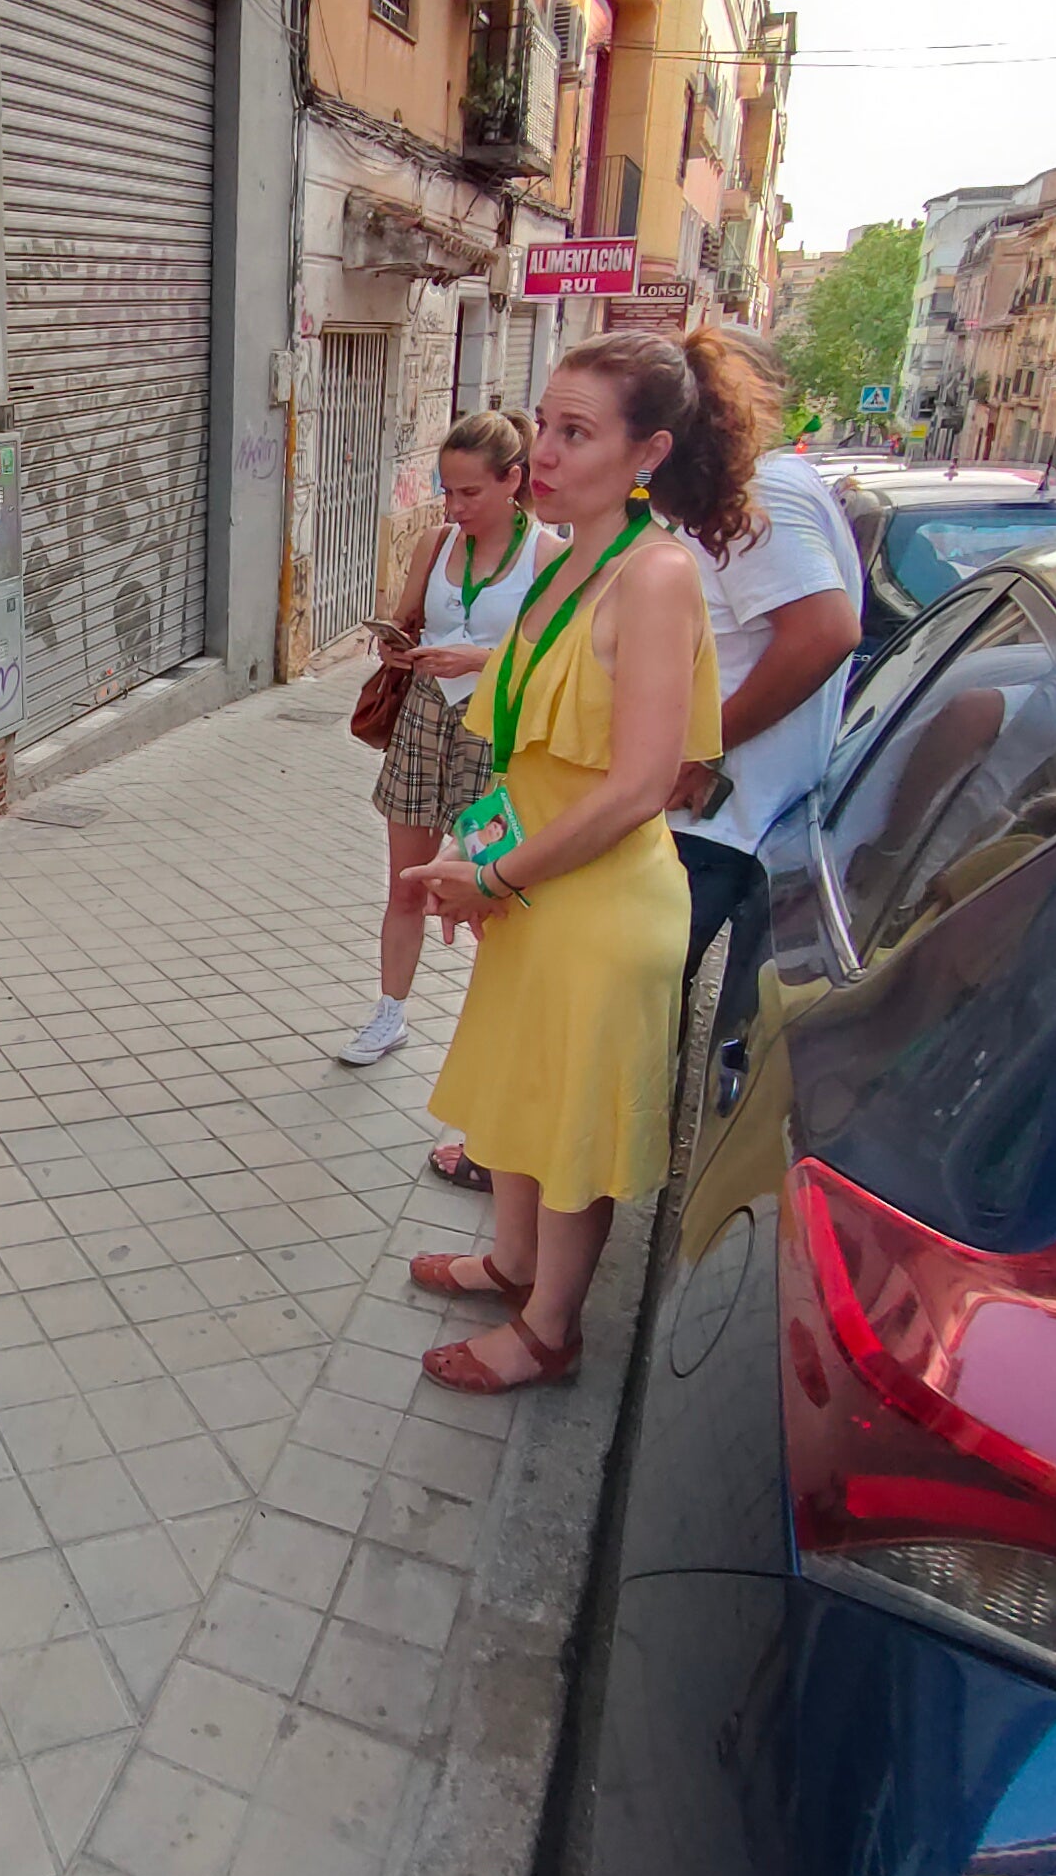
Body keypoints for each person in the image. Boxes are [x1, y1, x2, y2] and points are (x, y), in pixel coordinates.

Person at [400, 330, 751, 1394]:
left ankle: (549, 1329)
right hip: (539, 887)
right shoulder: (574, 559)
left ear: (647, 454)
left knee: (569, 1137)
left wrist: (493, 876)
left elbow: (641, 781)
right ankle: (511, 1263)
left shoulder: (653, 577)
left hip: (592, 903)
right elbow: (539, 720)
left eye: (575, 433)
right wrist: (487, 855)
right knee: (516, 1096)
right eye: (544, 425)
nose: (541, 452)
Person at [338, 412, 555, 1193]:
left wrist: (482, 656)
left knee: (492, 895)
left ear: (513, 481)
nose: (455, 506)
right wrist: (397, 643)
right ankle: (389, 1014)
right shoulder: (437, 543)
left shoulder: (550, 554)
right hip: (427, 716)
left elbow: (556, 656)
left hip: (497, 732)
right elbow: (406, 617)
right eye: (446, 490)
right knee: (408, 879)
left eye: (470, 492)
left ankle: (487, 1062)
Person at [666, 353, 862, 1038]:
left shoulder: (759, 497)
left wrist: (700, 748)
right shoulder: (760, 488)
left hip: (713, 824)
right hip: (713, 821)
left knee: (626, 1025)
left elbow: (824, 633)